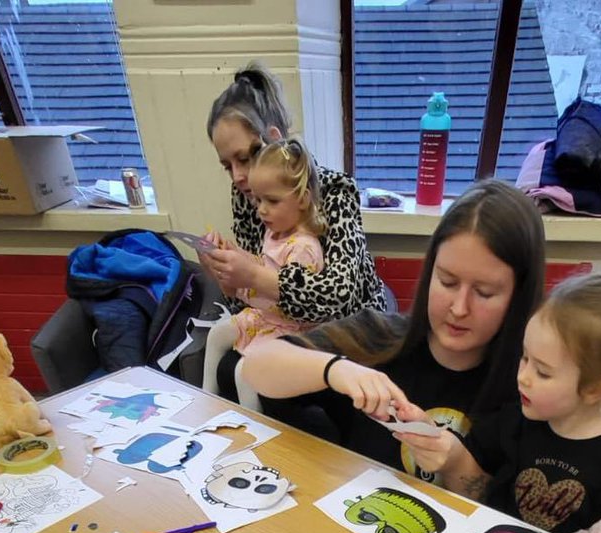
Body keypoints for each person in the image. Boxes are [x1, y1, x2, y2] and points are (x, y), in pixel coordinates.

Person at [240, 178, 546, 478]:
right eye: (447, 282)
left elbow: (507, 514)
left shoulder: (529, 388)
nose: (459, 308)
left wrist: (454, 462)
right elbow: (256, 366)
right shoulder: (377, 335)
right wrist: (335, 370)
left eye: (484, 293)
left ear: (518, 296)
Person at [393, 272, 601, 533]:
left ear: (594, 389)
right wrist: (437, 442)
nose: (523, 377)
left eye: (543, 372)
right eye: (524, 357)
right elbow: (470, 485)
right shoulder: (510, 422)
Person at [202, 63, 387, 398]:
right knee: (231, 358)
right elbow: (255, 275)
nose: (238, 176)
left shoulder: (337, 191)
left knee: (255, 375)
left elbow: (339, 298)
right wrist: (226, 275)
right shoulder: (247, 194)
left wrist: (254, 278)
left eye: (245, 158)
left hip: (347, 323)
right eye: (227, 165)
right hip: (279, 316)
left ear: (274, 140)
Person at [201, 138, 326, 411]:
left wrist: (246, 280)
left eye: (272, 200)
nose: (261, 209)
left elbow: (292, 304)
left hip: (289, 327)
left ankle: (255, 427)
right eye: (258, 200)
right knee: (217, 334)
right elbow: (262, 266)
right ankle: (206, 403)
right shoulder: (275, 232)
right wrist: (234, 257)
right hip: (266, 317)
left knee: (245, 372)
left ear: (303, 200)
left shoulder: (304, 248)